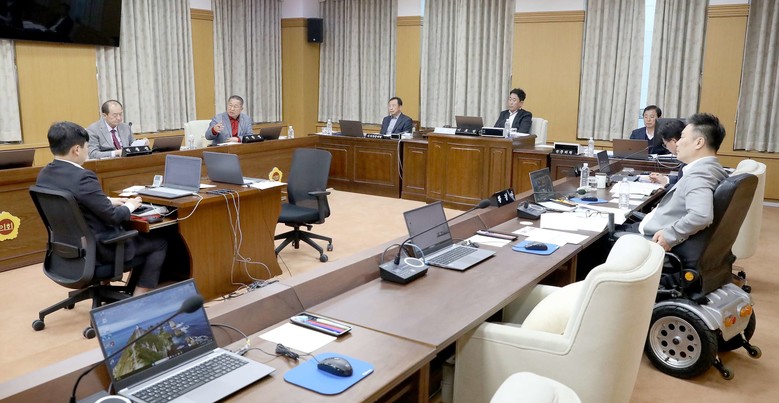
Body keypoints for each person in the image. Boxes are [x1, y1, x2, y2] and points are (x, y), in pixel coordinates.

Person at [37, 121, 168, 295]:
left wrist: (106, 200)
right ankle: (138, 298)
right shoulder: (83, 177)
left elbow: (72, 199)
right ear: (77, 149)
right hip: (102, 250)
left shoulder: (45, 173)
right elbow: (113, 217)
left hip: (68, 250)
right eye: (87, 146)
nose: (87, 150)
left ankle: (110, 289)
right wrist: (130, 205)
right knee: (160, 242)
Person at [637, 113, 728, 251]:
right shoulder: (712, 168)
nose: (678, 142)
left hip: (653, 238)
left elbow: (701, 216)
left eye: (683, 137)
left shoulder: (699, 174)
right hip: (658, 225)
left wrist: (670, 235)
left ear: (699, 143)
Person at [648, 119, 686, 186]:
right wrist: (665, 179)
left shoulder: (688, 160)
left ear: (674, 142)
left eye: (665, 144)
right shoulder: (685, 158)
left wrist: (665, 186)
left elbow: (683, 188)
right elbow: (681, 180)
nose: (667, 148)